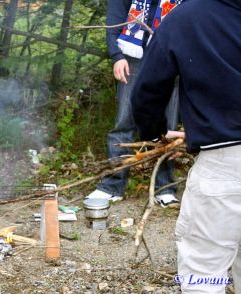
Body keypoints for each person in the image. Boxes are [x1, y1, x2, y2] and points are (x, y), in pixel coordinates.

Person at [131, 0, 241, 292]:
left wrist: (154, 133)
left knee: (204, 274)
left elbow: (147, 91)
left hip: (224, 164)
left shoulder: (190, 15)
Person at [87, 0, 182, 208]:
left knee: (169, 128)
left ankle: (164, 189)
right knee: (123, 123)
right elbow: (113, 22)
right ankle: (112, 186)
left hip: (170, 58)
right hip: (132, 59)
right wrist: (117, 56)